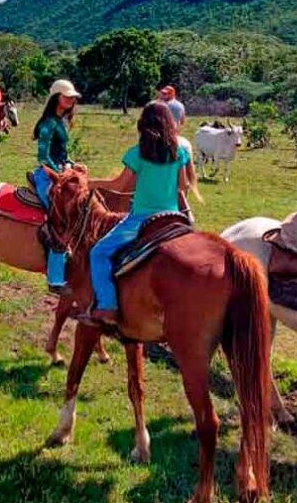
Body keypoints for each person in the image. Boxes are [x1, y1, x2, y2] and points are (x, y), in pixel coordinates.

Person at [86, 101, 192, 325]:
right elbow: (183, 186)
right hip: (174, 220)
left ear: (143, 124)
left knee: (98, 252)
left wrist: (91, 182)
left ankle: (107, 306)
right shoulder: (180, 152)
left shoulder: (136, 154)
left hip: (142, 220)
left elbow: (120, 186)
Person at [32, 80, 82, 289]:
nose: (71, 100)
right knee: (59, 219)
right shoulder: (48, 124)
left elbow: (63, 153)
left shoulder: (62, 121)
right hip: (48, 176)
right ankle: (55, 279)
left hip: (62, 172)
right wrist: (60, 173)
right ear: (56, 98)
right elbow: (43, 158)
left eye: (73, 97)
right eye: (67, 96)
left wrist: (71, 164)